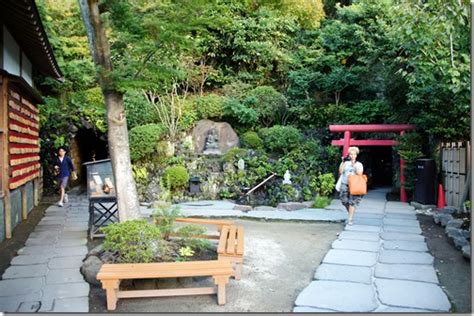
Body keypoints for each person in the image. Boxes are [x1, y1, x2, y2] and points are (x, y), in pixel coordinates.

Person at [338, 146, 364, 225]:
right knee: (344, 200)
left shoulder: (359, 164)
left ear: (356, 155)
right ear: (349, 155)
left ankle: (350, 219)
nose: (352, 156)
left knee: (352, 201)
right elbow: (340, 171)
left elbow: (360, 174)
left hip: (355, 184)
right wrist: (342, 161)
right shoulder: (345, 163)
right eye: (351, 154)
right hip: (345, 183)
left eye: (354, 154)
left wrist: (354, 166)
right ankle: (350, 214)